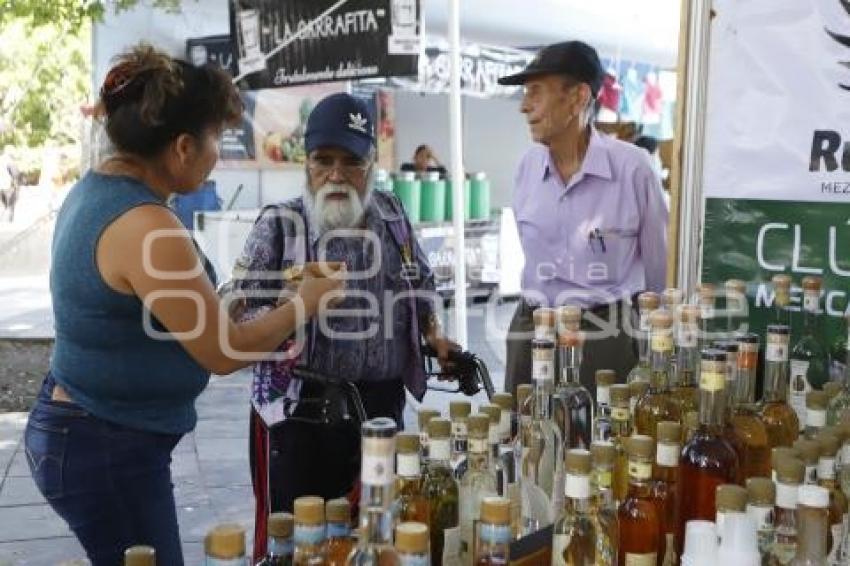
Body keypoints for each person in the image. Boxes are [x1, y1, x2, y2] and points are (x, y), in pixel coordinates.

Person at [23, 44, 344, 566]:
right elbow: (222, 353)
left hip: (96, 432)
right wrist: (304, 302)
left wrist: (245, 303)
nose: (219, 151)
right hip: (102, 444)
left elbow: (170, 313)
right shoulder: (146, 225)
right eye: (217, 137)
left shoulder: (99, 191)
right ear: (181, 148)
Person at [232, 92, 458, 562]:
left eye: (351, 161)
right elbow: (238, 320)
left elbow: (424, 287)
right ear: (306, 163)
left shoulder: (394, 217)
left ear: (372, 162)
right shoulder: (280, 225)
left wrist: (434, 331)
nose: (336, 175)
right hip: (297, 420)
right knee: (295, 547)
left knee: (376, 539)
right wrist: (294, 303)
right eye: (323, 160)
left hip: (379, 413)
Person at [497, 40, 668, 396]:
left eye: (536, 92)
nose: (524, 106)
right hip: (532, 327)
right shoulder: (527, 167)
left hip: (602, 333)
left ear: (577, 98)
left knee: (601, 440)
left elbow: (658, 272)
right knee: (522, 438)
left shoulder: (633, 169)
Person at [0, 146, 20, 222]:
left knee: (3, 203)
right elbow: (15, 174)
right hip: (8, 185)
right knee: (11, 203)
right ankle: (9, 220)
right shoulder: (10, 161)